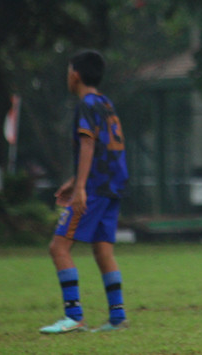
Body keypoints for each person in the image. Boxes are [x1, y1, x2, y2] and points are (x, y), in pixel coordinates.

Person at [40, 50, 130, 334]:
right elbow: (104, 148)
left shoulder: (86, 105)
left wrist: (80, 187)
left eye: (68, 71)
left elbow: (89, 145)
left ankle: (74, 316)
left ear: (75, 75)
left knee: (59, 248)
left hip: (94, 189)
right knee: (103, 250)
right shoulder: (105, 103)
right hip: (112, 185)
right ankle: (118, 317)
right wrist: (74, 179)